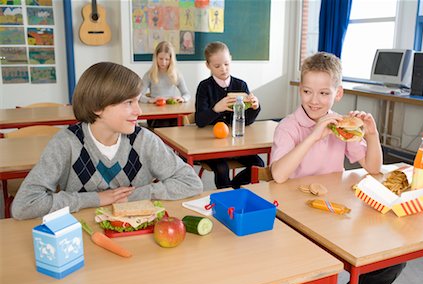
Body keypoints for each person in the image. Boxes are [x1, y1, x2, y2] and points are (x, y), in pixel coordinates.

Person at [270, 52, 405, 284]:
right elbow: (278, 175)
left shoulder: (341, 125)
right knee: (312, 282)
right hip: (297, 221)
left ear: (337, 94)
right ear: (300, 90)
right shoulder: (288, 127)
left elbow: (373, 168)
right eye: (308, 91)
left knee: (394, 259)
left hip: (336, 213)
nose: (314, 101)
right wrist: (313, 136)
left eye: (324, 93)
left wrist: (372, 135)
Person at [11, 62, 203, 220]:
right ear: (97, 107)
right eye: (129, 103)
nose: (139, 111)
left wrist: (132, 196)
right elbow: (24, 205)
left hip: (136, 235)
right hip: (85, 236)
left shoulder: (144, 140)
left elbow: (191, 182)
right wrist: (97, 199)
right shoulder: (66, 143)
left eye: (137, 101)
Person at [195, 41, 264, 189]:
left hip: (237, 143)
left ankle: (233, 189)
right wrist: (216, 109)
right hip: (212, 146)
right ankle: (226, 198)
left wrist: (254, 107)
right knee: (221, 168)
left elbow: (247, 121)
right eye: (217, 66)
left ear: (231, 59)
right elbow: (200, 121)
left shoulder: (240, 85)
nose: (223, 69)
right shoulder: (204, 87)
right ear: (208, 65)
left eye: (226, 64)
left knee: (259, 164)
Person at [140, 41, 191, 127]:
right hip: (155, 115)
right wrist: (150, 100)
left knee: (177, 124)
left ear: (171, 60)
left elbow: (187, 94)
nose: (163, 62)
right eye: (160, 58)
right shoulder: (150, 74)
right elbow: (138, 95)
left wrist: (182, 98)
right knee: (164, 124)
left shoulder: (176, 74)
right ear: (156, 57)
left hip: (172, 113)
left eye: (167, 59)